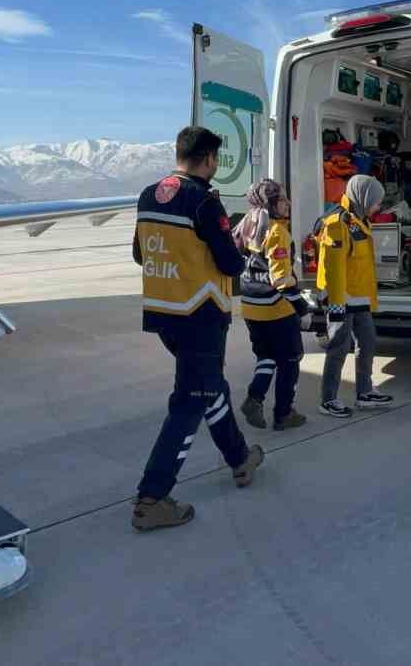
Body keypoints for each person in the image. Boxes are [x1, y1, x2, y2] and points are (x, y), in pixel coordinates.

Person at [129, 126, 265, 531]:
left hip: (164, 311)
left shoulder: (147, 194)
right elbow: (231, 265)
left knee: (210, 387)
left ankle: (240, 459)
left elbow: (139, 254)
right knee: (190, 401)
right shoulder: (204, 202)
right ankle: (152, 498)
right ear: (209, 159)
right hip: (201, 314)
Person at [314, 174, 394, 417]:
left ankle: (364, 392)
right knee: (338, 347)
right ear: (364, 197)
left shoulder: (357, 220)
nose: (378, 207)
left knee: (367, 342)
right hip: (341, 298)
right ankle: (328, 400)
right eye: (376, 202)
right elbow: (334, 269)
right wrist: (336, 307)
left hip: (358, 297)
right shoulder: (338, 223)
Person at [233, 179, 309, 432]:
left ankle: (255, 398)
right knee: (290, 359)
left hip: (251, 307)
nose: (287, 203)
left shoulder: (247, 223)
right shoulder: (276, 232)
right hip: (275, 308)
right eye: (281, 199)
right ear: (269, 203)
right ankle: (284, 414)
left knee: (266, 357)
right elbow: (280, 280)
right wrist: (302, 307)